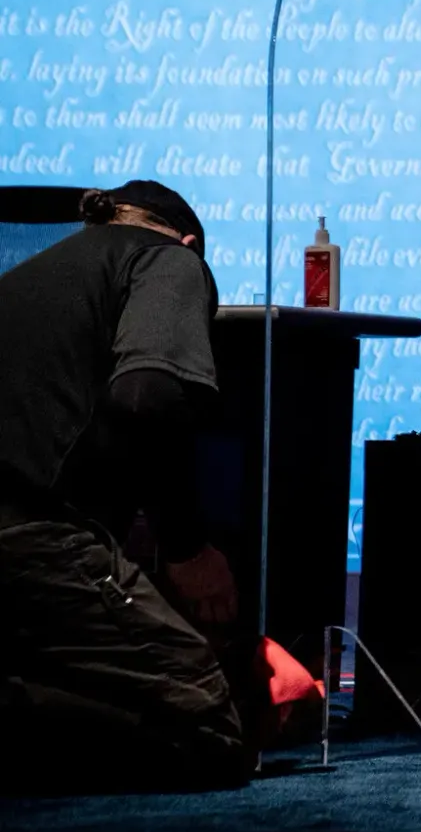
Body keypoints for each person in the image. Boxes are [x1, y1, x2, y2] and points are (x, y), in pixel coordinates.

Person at [0, 181, 251, 792]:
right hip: (26, 533)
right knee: (209, 729)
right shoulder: (168, 258)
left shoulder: (30, 277)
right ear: (190, 241)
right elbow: (147, 396)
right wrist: (188, 547)